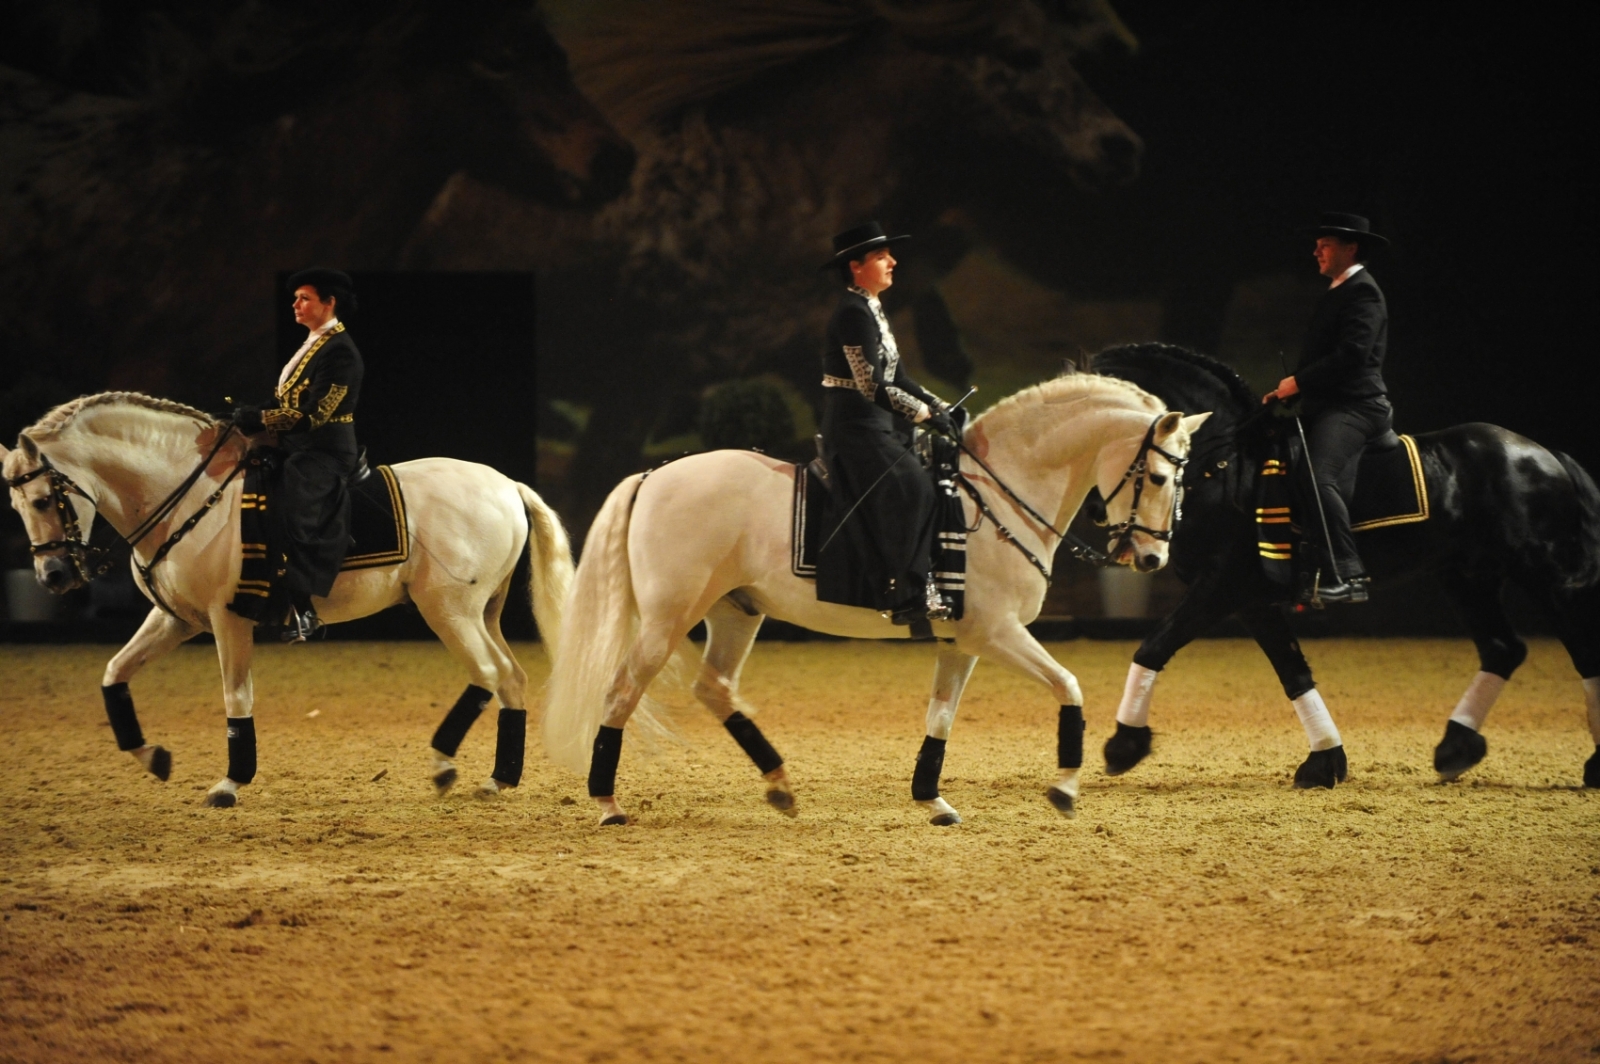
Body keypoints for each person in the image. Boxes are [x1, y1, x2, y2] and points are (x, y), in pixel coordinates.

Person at [817, 222, 956, 623]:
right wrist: (924, 415)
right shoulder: (852, 312)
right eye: (881, 257)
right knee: (913, 487)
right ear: (856, 266)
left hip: (878, 423)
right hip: (855, 426)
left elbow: (899, 377)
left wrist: (941, 406)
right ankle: (903, 591)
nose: (893, 262)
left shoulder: (872, 309)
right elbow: (871, 385)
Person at [1263, 212, 1392, 604]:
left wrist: (1299, 382)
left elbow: (1353, 354)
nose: (1316, 251)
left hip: (1358, 406)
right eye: (1317, 245)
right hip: (1329, 404)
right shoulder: (1338, 291)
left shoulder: (1363, 292)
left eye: (1326, 245)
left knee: (1319, 477)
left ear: (1350, 249)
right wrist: (1288, 392)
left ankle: (1348, 575)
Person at [233, 268, 364, 640]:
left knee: (289, 503)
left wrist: (261, 419)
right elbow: (285, 401)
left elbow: (316, 414)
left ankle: (303, 607)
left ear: (329, 303)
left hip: (326, 450)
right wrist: (244, 415)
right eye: (295, 298)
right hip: (297, 446)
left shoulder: (341, 352)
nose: (295, 304)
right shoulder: (313, 344)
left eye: (304, 298)